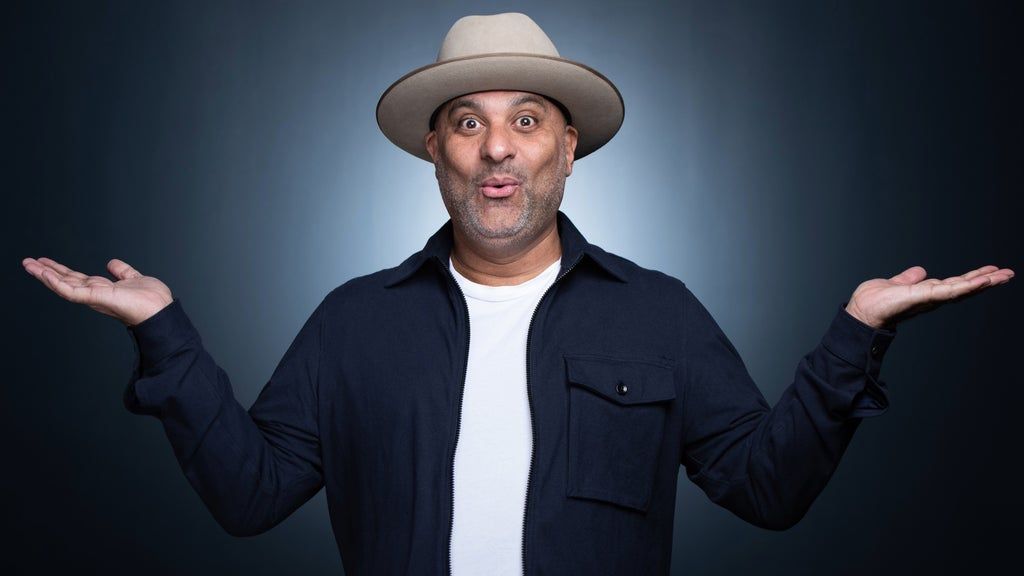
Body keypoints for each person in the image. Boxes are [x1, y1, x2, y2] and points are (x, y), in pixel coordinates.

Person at [20, 12, 1013, 576]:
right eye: (467, 122)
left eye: (528, 120)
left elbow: (768, 491)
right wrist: (164, 333)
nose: (497, 146)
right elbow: (250, 497)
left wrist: (855, 335)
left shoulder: (658, 312)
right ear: (435, 150)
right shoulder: (353, 322)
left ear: (567, 149)